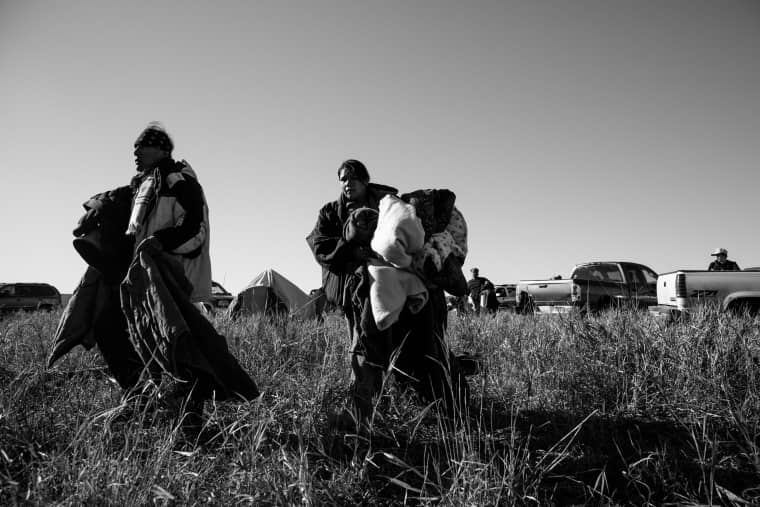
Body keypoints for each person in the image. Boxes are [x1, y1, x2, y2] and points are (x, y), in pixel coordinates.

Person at [306, 159, 467, 426]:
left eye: (353, 178)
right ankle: (364, 409)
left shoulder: (387, 202)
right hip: (354, 290)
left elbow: (404, 230)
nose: (348, 183)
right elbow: (321, 246)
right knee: (362, 346)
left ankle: (436, 401)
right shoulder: (330, 213)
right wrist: (353, 248)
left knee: (415, 344)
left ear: (366, 180)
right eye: (343, 179)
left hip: (400, 286)